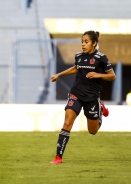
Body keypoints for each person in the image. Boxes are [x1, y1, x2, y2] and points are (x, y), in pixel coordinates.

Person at [49, 30, 116, 164]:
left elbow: (112, 76)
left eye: (86, 42)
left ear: (94, 43)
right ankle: (58, 157)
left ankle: (100, 108)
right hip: (76, 93)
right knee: (67, 123)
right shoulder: (79, 56)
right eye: (82, 42)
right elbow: (76, 68)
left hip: (91, 97)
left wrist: (98, 75)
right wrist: (59, 75)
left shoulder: (101, 58)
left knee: (93, 131)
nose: (83, 45)